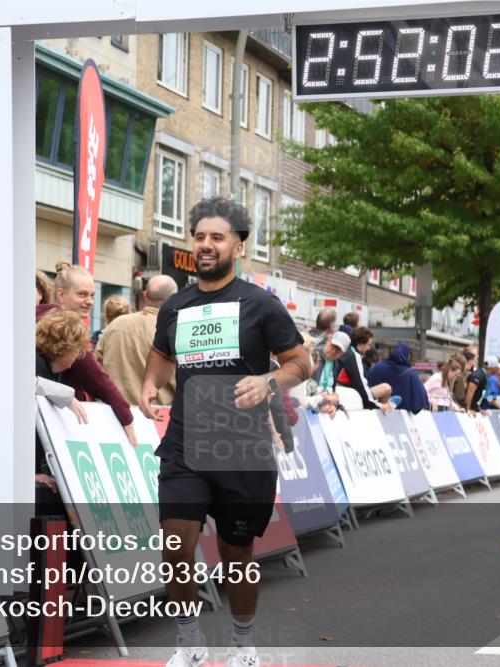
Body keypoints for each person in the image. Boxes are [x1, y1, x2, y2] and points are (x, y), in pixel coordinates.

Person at [139, 197, 310, 667]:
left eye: (217, 237)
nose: (206, 245)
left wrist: (268, 381)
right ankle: (190, 644)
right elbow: (160, 354)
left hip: (241, 447)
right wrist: (152, 382)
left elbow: (302, 362)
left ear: (238, 244)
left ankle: (243, 646)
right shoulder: (176, 305)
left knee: (237, 554)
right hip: (185, 442)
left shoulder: (261, 305)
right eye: (200, 237)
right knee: (176, 541)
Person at [38, 262, 137, 446]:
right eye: (82, 294)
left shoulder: (47, 319)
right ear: (61, 294)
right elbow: (96, 377)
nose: (90, 301)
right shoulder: (64, 329)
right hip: (52, 426)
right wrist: (127, 417)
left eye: (92, 295)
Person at [34, 310, 91, 508]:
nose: (78, 356)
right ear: (66, 348)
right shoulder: (35, 364)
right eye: (77, 350)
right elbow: (26, 383)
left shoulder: (49, 368)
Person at [96, 275, 178, 406]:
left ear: (145, 296)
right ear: (175, 300)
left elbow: (96, 369)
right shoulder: (173, 332)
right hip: (155, 417)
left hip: (113, 414)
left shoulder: (115, 325)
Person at [336, 326, 392, 411]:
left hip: (344, 390)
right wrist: (377, 405)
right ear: (361, 343)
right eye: (369, 345)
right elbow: (360, 385)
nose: (369, 348)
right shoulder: (354, 356)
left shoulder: (348, 351)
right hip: (350, 394)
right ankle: (380, 411)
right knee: (386, 388)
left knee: (384, 389)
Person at [366, 342, 430, 414]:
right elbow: (421, 402)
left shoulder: (378, 367)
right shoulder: (411, 374)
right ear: (408, 356)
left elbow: (367, 386)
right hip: (401, 415)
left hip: (374, 410)